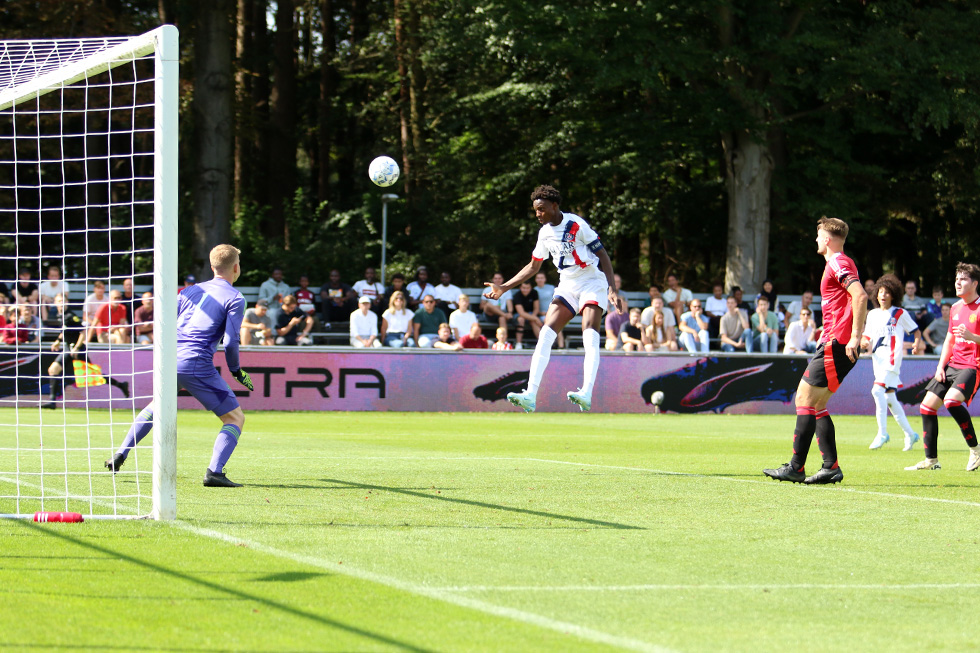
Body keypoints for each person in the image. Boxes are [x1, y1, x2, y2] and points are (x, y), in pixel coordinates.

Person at [105, 244, 253, 487]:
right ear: (236, 268)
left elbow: (163, 323)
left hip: (169, 358)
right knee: (235, 418)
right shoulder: (235, 297)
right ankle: (214, 472)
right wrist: (236, 370)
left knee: (156, 407)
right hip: (196, 362)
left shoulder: (189, 291)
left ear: (212, 266)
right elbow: (230, 343)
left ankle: (121, 452)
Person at [483, 184, 623, 413]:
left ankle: (586, 392)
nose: (538, 214)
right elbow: (533, 266)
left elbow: (602, 254)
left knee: (589, 332)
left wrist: (612, 289)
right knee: (546, 335)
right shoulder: (545, 233)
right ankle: (530, 394)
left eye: (541, 209)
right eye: (535, 210)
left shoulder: (576, 225)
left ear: (554, 206)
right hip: (567, 284)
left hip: (591, 282)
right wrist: (505, 287)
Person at [764, 217, 867, 485]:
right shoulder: (842, 262)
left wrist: (855, 336)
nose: (816, 239)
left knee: (804, 399)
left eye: (819, 235)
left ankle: (796, 467)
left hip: (838, 344)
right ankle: (830, 467)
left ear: (828, 239)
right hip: (836, 341)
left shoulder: (837, 262)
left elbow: (860, 295)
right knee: (818, 404)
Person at [907, 263, 980, 472]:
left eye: (963, 279)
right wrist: (940, 367)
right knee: (926, 406)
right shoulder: (955, 308)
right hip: (952, 365)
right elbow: (949, 340)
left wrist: (971, 337)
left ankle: (975, 449)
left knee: (950, 402)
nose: (957, 282)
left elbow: (970, 337)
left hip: (973, 366)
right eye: (956, 279)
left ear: (975, 283)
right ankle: (931, 460)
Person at [862, 274, 921, 451]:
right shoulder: (872, 314)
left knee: (876, 390)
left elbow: (916, 332)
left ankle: (882, 433)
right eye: (880, 292)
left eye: (887, 292)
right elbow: (867, 335)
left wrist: (916, 344)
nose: (883, 295)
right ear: (876, 294)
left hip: (892, 359)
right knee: (889, 398)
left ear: (893, 295)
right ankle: (911, 434)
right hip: (877, 360)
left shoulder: (899, 313)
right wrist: (864, 342)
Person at [44, 293, 129, 408]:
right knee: (53, 370)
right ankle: (52, 402)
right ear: (55, 303)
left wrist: (77, 348)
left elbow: (82, 332)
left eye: (63, 301)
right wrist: (58, 341)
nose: (61, 303)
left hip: (76, 349)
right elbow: (65, 331)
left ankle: (121, 385)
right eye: (58, 301)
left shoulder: (70, 315)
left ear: (67, 302)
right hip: (68, 348)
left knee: (93, 374)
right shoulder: (60, 315)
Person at [534, 271, 563, 348]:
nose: (540, 280)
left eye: (542, 278)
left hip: (553, 313)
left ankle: (561, 346)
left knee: (557, 323)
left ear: (545, 279)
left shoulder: (551, 288)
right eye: (538, 278)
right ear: (535, 280)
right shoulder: (534, 290)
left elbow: (558, 300)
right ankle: (544, 344)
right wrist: (540, 313)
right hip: (540, 315)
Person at [512, 280, 542, 349]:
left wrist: (533, 317)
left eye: (527, 288)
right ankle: (518, 343)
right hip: (518, 315)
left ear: (531, 288)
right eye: (524, 288)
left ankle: (541, 343)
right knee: (521, 319)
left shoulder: (534, 293)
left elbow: (536, 308)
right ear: (520, 287)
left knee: (533, 321)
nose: (525, 290)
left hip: (531, 314)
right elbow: (521, 313)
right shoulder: (517, 295)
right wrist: (535, 318)